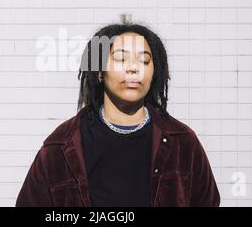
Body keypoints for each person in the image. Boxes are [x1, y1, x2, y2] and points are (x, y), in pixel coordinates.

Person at [16, 16, 220, 207]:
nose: (133, 68)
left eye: (144, 60)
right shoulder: (60, 146)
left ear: (154, 72)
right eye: (121, 59)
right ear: (99, 72)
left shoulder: (183, 142)